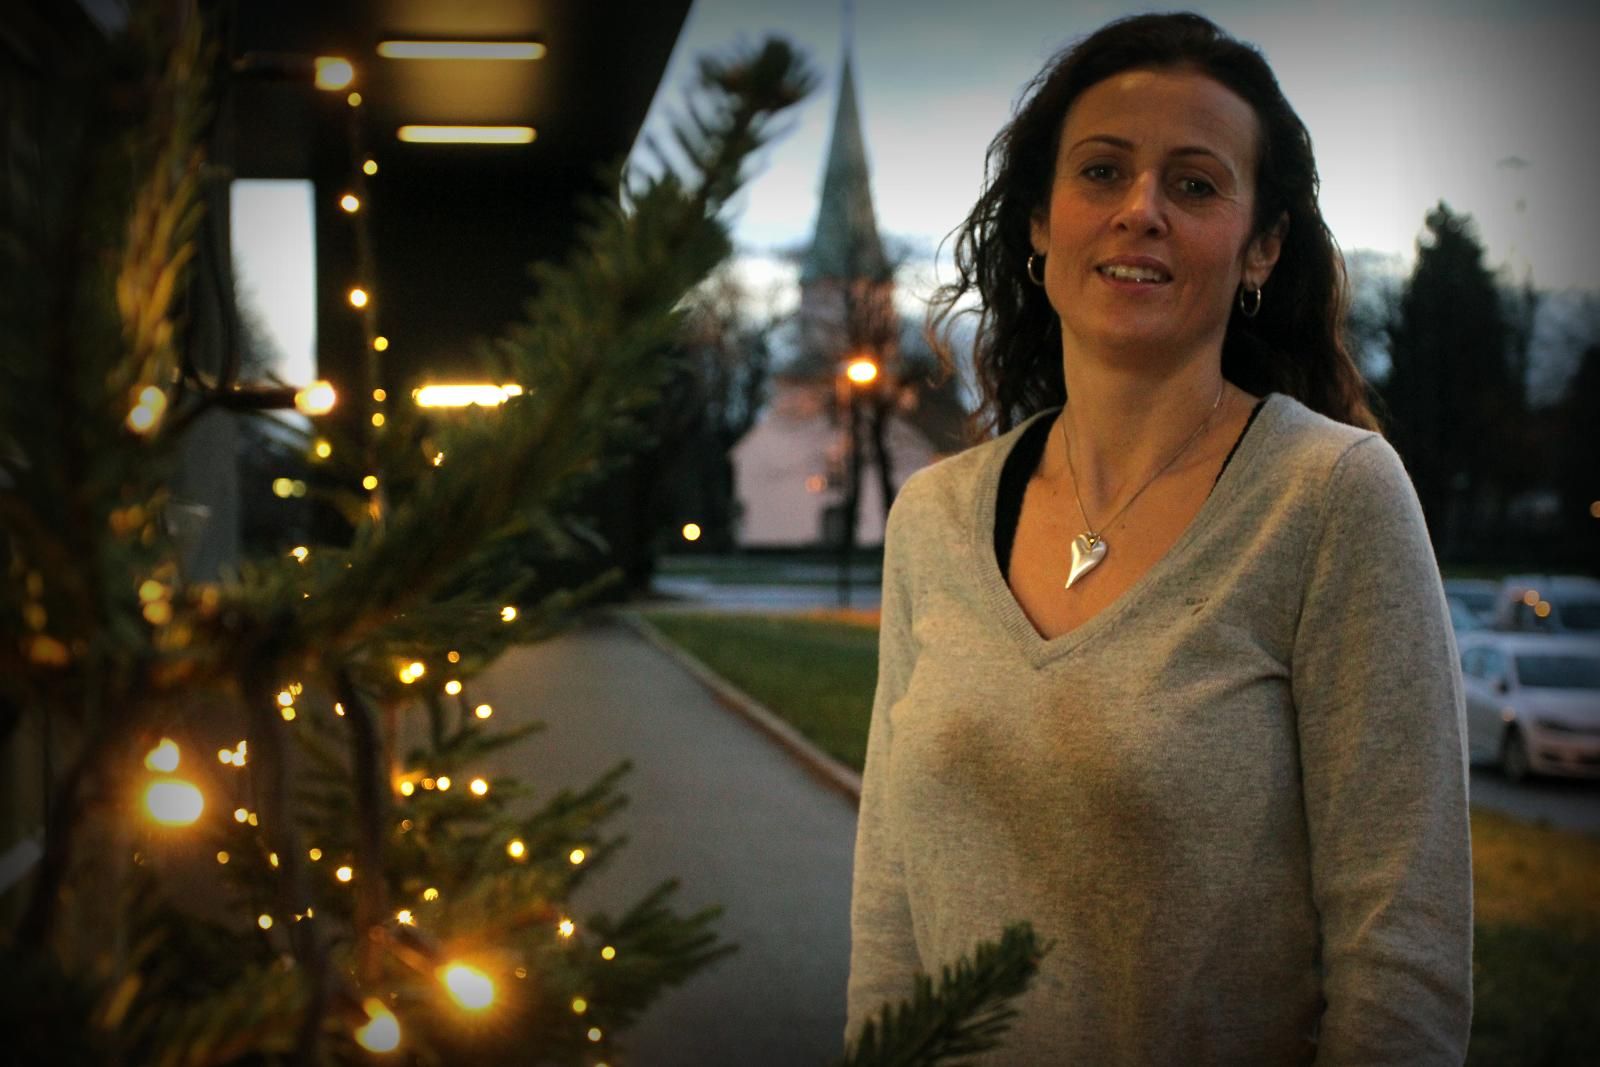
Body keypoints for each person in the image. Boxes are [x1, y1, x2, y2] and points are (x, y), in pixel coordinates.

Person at [846, 12, 1472, 1064]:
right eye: (1101, 172)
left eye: (1194, 184)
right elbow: (887, 914)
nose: (1140, 210)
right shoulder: (934, 516)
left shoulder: (1331, 497)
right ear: (1039, 221)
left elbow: (1401, 958)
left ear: (1261, 244)